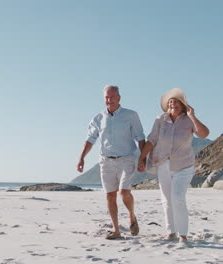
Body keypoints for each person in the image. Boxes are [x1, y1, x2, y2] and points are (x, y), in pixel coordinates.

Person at [138, 88, 209, 245]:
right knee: (166, 199)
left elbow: (204, 134)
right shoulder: (160, 119)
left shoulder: (189, 120)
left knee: (177, 197)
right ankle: (171, 232)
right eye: (170, 101)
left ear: (183, 105)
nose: (173, 103)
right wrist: (141, 158)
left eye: (176, 101)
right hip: (163, 163)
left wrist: (193, 116)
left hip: (184, 165)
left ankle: (183, 236)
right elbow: (151, 140)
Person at [77, 85, 145, 239]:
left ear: (119, 98)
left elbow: (140, 137)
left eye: (112, 97)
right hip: (106, 161)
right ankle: (116, 230)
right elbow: (90, 139)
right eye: (106, 97)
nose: (109, 100)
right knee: (110, 195)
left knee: (124, 192)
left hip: (126, 158)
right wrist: (82, 158)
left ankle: (132, 217)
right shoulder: (98, 118)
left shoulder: (131, 115)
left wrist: (142, 159)